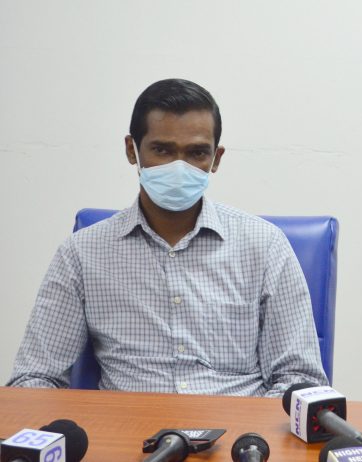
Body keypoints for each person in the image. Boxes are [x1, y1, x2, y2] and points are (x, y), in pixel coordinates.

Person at [8, 79, 328, 397]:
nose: (179, 167)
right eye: (162, 150)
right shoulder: (82, 254)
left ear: (216, 158)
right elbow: (36, 376)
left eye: (197, 153)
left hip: (238, 436)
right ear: (131, 150)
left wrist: (251, 436)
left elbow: (300, 379)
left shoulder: (265, 246)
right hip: (128, 434)